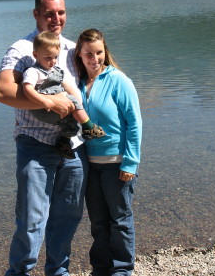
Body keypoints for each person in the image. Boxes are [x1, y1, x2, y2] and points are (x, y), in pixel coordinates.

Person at [0, 0, 88, 276]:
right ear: (36, 14)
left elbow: (98, 75)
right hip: (36, 146)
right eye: (49, 13)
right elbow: (3, 91)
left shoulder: (72, 49)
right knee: (32, 220)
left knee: (68, 216)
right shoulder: (22, 50)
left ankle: (58, 271)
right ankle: (20, 272)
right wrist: (48, 101)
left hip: (72, 147)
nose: (56, 19)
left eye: (60, 12)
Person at [74, 28, 142, 276]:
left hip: (117, 163)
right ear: (80, 56)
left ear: (105, 51)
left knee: (120, 220)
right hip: (89, 165)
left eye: (99, 52)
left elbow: (134, 123)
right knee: (98, 222)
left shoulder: (119, 80)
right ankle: (100, 269)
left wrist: (130, 162)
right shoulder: (78, 84)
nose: (95, 58)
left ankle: (122, 270)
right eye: (88, 53)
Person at [23, 31, 106, 159]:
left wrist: (77, 103)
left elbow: (67, 85)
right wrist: (43, 101)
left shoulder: (55, 70)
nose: (53, 61)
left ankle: (64, 142)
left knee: (71, 116)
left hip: (56, 107)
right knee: (71, 103)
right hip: (43, 110)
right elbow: (27, 88)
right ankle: (88, 127)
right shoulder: (34, 72)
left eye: (55, 57)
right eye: (48, 58)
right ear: (36, 55)